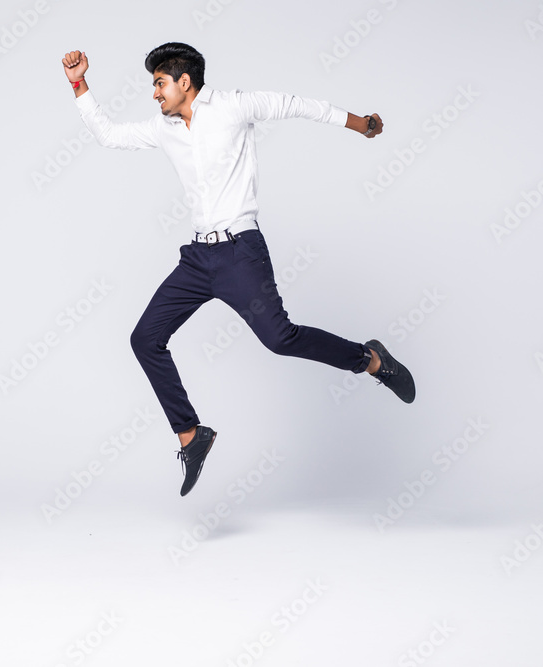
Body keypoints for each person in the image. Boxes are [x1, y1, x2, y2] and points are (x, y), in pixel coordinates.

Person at [61, 42, 415, 497]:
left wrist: (360, 123)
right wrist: (79, 83)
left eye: (159, 84)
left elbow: (298, 105)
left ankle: (371, 360)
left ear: (184, 82)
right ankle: (191, 436)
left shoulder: (233, 106)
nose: (154, 94)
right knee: (145, 339)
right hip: (197, 258)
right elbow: (109, 135)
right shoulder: (164, 128)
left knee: (280, 339)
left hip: (239, 253)